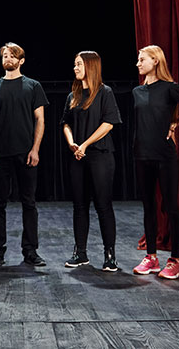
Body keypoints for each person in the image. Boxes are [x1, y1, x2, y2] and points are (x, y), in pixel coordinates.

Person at [0, 43, 49, 267]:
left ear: (22, 60)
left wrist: (35, 148)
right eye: (5, 56)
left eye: (12, 56)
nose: (7, 58)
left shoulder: (33, 86)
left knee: (29, 203)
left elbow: (40, 119)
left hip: (26, 153)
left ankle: (30, 252)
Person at [131, 45, 179, 279]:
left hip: (164, 155)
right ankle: (152, 257)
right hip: (142, 154)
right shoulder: (137, 91)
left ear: (155, 61)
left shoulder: (170, 88)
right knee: (148, 206)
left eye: (142, 59)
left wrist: (176, 124)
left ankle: (175, 260)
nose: (138, 63)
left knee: (171, 206)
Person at [61, 51, 122, 272]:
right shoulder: (73, 96)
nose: (75, 68)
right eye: (75, 64)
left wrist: (85, 144)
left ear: (90, 66)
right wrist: (72, 143)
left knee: (103, 205)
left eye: (79, 64)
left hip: (100, 155)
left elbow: (109, 123)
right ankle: (81, 253)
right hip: (78, 156)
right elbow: (65, 123)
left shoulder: (105, 92)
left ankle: (110, 255)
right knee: (79, 206)